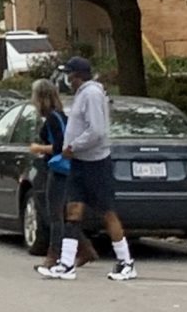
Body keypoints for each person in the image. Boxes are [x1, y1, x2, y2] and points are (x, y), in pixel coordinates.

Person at [37, 56, 135, 282]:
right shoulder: (82, 93)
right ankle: (66, 263)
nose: (67, 79)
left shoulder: (91, 94)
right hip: (80, 163)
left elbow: (97, 131)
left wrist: (73, 146)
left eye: (69, 74)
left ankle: (126, 261)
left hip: (95, 163)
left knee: (107, 212)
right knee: (73, 211)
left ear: (78, 75)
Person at [25, 77, 69, 263]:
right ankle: (82, 249)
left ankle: (55, 253)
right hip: (62, 168)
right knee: (61, 212)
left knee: (55, 212)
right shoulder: (61, 115)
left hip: (58, 168)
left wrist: (39, 148)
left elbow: (60, 146)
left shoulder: (52, 118)